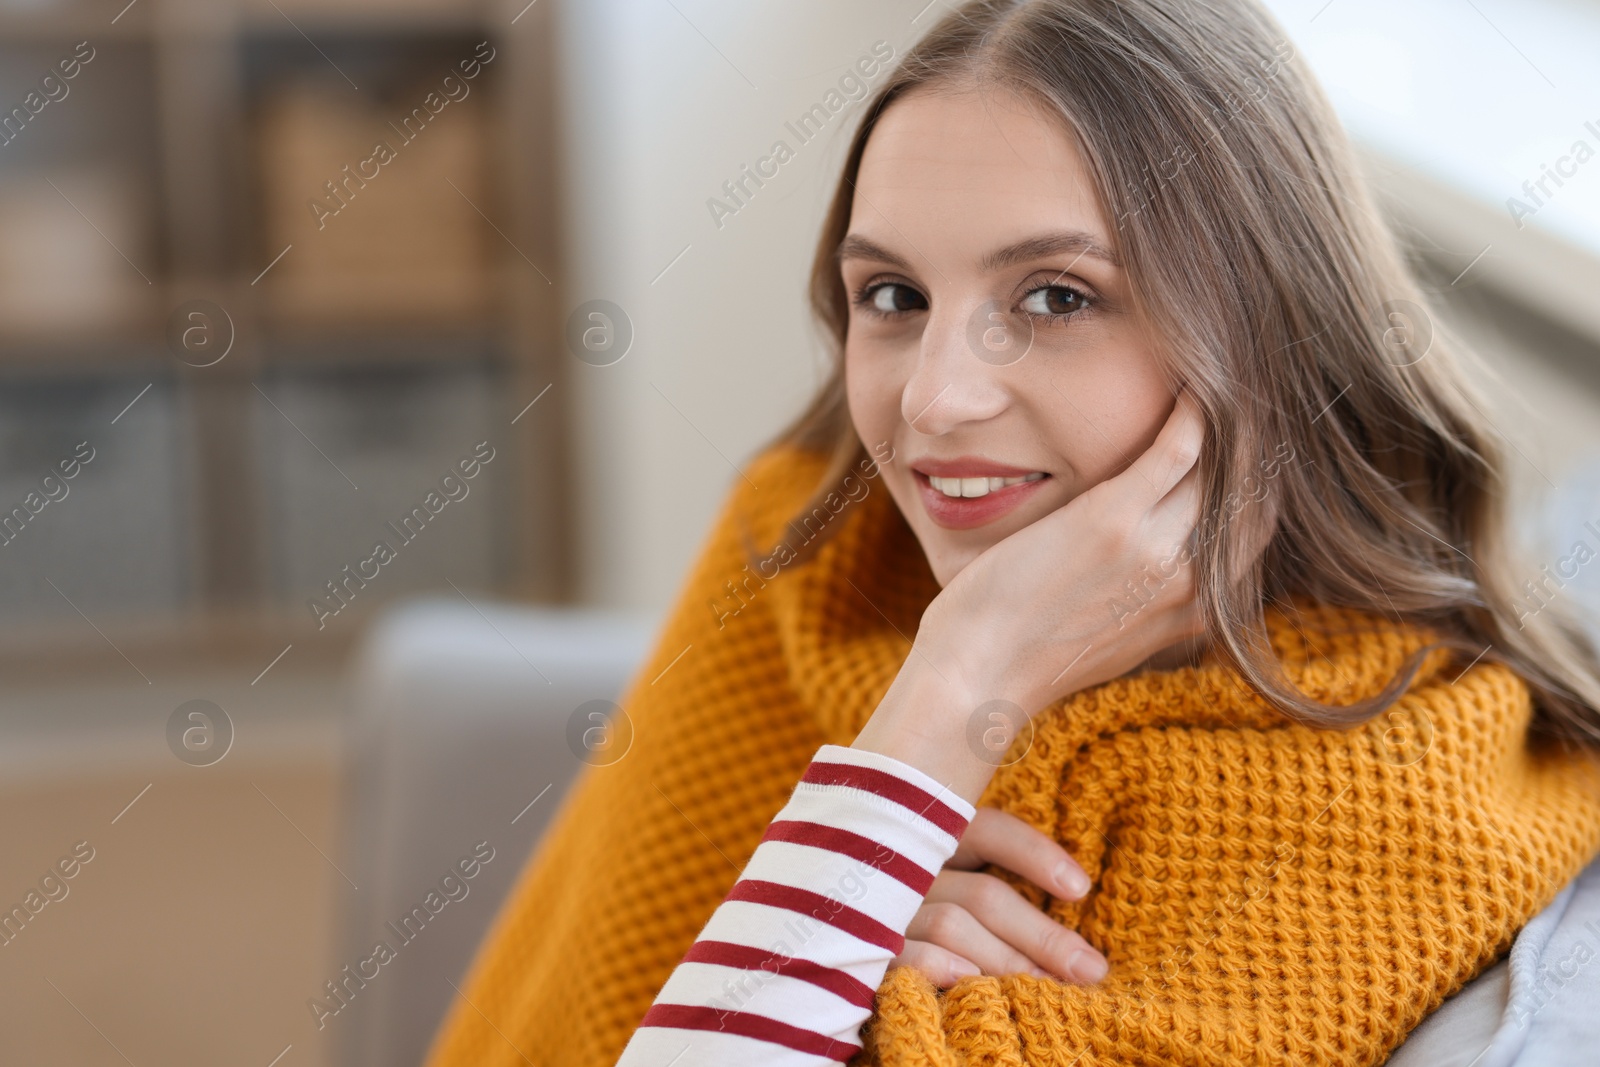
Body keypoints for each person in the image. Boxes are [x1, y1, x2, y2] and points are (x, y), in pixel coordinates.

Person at [423, 0, 1600, 1064]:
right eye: (894, 296)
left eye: (1054, 297)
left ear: (1267, 339)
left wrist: (953, 686)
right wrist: (894, 815)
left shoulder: (1384, 788)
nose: (934, 400)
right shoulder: (809, 545)